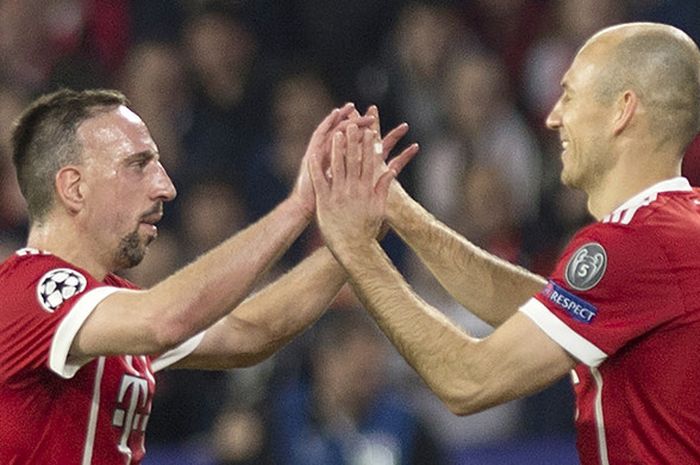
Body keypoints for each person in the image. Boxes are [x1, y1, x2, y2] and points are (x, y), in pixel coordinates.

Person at [309, 22, 700, 464]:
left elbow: (469, 381)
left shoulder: (633, 243)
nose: (553, 117)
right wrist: (402, 213)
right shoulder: (676, 230)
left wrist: (356, 250)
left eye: (569, 96)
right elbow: (537, 309)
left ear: (622, 110)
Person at [0, 88, 416, 464]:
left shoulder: (111, 309)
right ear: (74, 188)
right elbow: (163, 320)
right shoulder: (27, 290)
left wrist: (351, 240)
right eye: (138, 165)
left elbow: (248, 331)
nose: (165, 187)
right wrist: (299, 207)